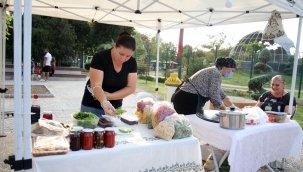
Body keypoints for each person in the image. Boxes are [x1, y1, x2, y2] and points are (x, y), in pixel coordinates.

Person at [80, 34, 137, 118]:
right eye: (121, 54)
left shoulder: (132, 62)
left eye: (128, 56)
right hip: (92, 108)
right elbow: (96, 85)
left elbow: (131, 88)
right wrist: (104, 102)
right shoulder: (100, 58)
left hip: (115, 108)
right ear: (115, 46)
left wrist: (109, 96)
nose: (123, 59)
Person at [172, 56, 237, 115]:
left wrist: (233, 107)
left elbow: (220, 94)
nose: (231, 73)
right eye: (232, 70)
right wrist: (225, 110)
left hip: (183, 97)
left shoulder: (214, 71)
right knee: (190, 124)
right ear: (226, 67)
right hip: (186, 99)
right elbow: (214, 96)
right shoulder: (216, 73)